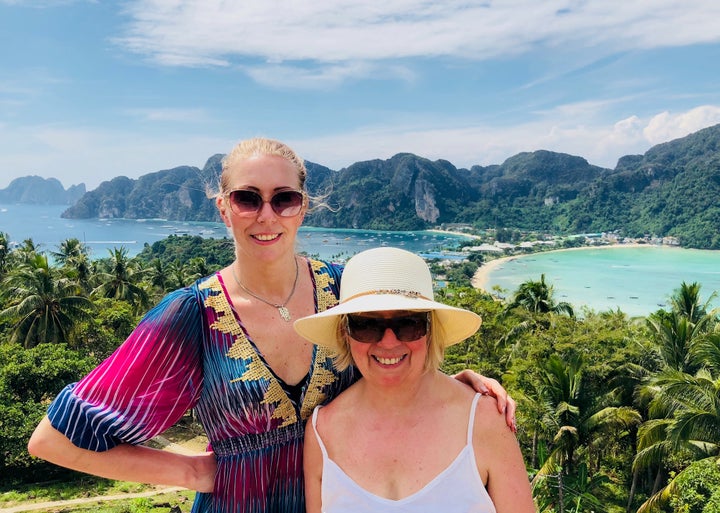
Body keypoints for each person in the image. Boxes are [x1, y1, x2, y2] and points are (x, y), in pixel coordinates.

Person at [28, 137, 516, 513]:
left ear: (303, 207)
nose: (267, 215)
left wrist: (454, 386)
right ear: (224, 208)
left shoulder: (346, 292)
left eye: (283, 198)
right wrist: (194, 472)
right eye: (247, 198)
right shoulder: (192, 316)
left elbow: (391, 354)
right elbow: (52, 440)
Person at [296, 247, 535, 513]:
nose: (388, 342)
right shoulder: (322, 431)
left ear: (430, 331)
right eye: (367, 325)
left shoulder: (485, 421)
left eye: (408, 324)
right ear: (345, 332)